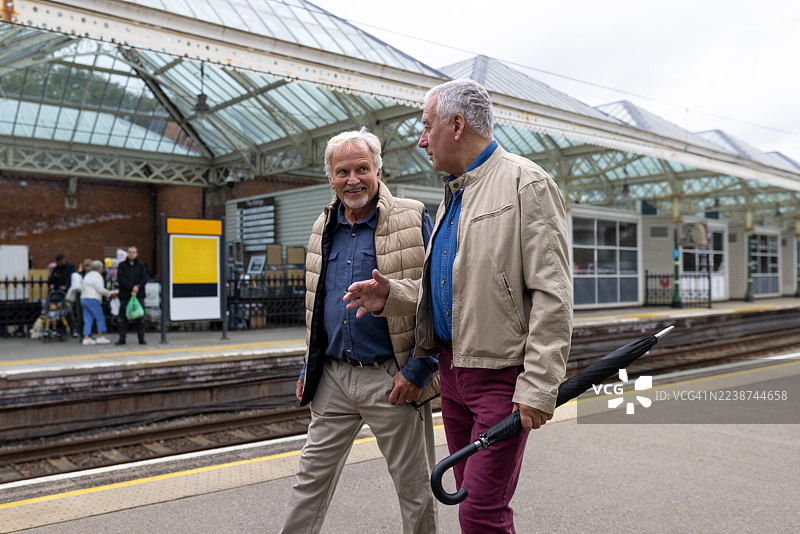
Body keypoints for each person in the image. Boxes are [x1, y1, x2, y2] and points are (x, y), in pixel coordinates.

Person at [344, 79, 573, 533]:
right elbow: (457, 290)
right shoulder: (455, 193)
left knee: (480, 512)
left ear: (456, 124)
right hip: (452, 374)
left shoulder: (527, 184)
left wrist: (540, 385)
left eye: (427, 127)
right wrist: (393, 297)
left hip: (498, 378)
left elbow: (553, 293)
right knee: (471, 498)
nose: (421, 139)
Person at [279, 128, 439, 534]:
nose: (353, 180)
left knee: (414, 487)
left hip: (392, 377)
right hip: (332, 376)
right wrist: (308, 366)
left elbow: (441, 295)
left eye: (362, 169)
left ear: (379, 171)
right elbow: (319, 304)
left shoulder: (411, 217)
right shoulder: (322, 226)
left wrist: (421, 367)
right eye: (343, 171)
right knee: (309, 481)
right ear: (330, 178)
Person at [116, 246, 148, 345]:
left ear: (137, 254)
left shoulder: (141, 265)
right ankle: (122, 339)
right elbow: (121, 279)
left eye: (133, 252)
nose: (131, 254)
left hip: (139, 295)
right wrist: (131, 287)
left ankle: (141, 339)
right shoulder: (122, 266)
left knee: (140, 318)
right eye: (130, 252)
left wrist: (137, 288)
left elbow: (145, 278)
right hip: (125, 295)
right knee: (123, 318)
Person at [80, 260, 117, 345]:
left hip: (84, 298)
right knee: (99, 317)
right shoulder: (97, 277)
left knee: (88, 319)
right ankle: (100, 336)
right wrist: (109, 293)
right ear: (100, 268)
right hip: (93, 299)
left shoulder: (87, 275)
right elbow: (100, 289)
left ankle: (86, 337)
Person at [65, 258, 91, 338]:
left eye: (89, 265)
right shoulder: (79, 275)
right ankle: (82, 333)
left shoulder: (93, 275)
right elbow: (76, 286)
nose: (87, 267)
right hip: (81, 295)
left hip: (90, 295)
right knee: (80, 315)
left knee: (89, 315)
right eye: (85, 265)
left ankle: (89, 332)